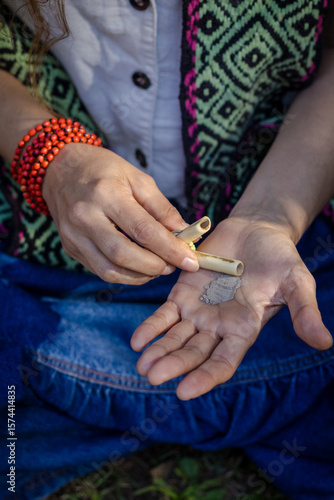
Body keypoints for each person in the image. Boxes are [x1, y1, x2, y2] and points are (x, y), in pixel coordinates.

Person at [0, 0, 334, 498]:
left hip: (296, 221)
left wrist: (270, 215)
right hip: (37, 243)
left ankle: (62, 390)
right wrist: (49, 156)